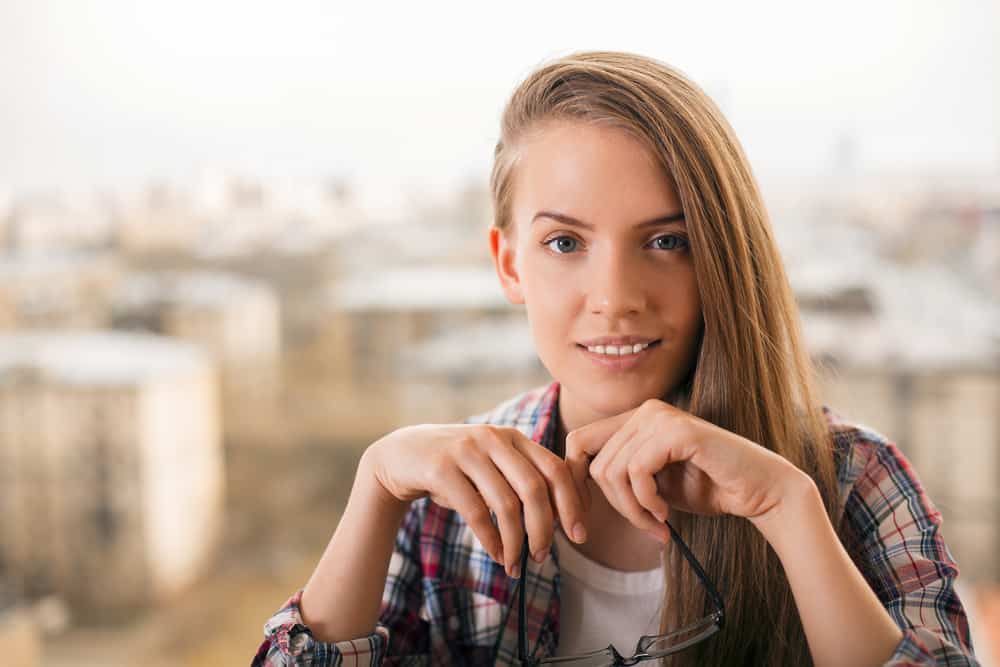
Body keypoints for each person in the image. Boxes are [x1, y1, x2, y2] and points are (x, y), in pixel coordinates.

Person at [252, 51, 979, 666]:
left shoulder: (852, 480)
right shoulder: (446, 505)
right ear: (509, 265)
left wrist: (788, 511)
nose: (615, 297)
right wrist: (376, 485)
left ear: (721, 258)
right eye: (566, 243)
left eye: (667, 241)